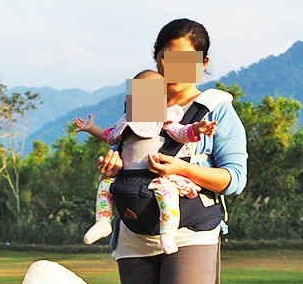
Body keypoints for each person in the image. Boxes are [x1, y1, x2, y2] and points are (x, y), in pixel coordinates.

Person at [97, 18, 248, 284]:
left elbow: (233, 178)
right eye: (169, 58)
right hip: (133, 234)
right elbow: (123, 149)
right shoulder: (142, 97)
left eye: (188, 60)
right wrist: (110, 165)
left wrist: (183, 168)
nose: (177, 69)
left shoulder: (216, 109)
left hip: (191, 235)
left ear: (203, 62)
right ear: (157, 57)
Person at [74, 70, 217, 254]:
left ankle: (167, 234)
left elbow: (182, 133)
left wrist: (198, 129)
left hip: (156, 176)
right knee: (104, 186)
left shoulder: (164, 118)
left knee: (168, 194)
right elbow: (109, 136)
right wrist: (91, 128)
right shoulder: (126, 121)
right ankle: (102, 221)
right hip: (127, 176)